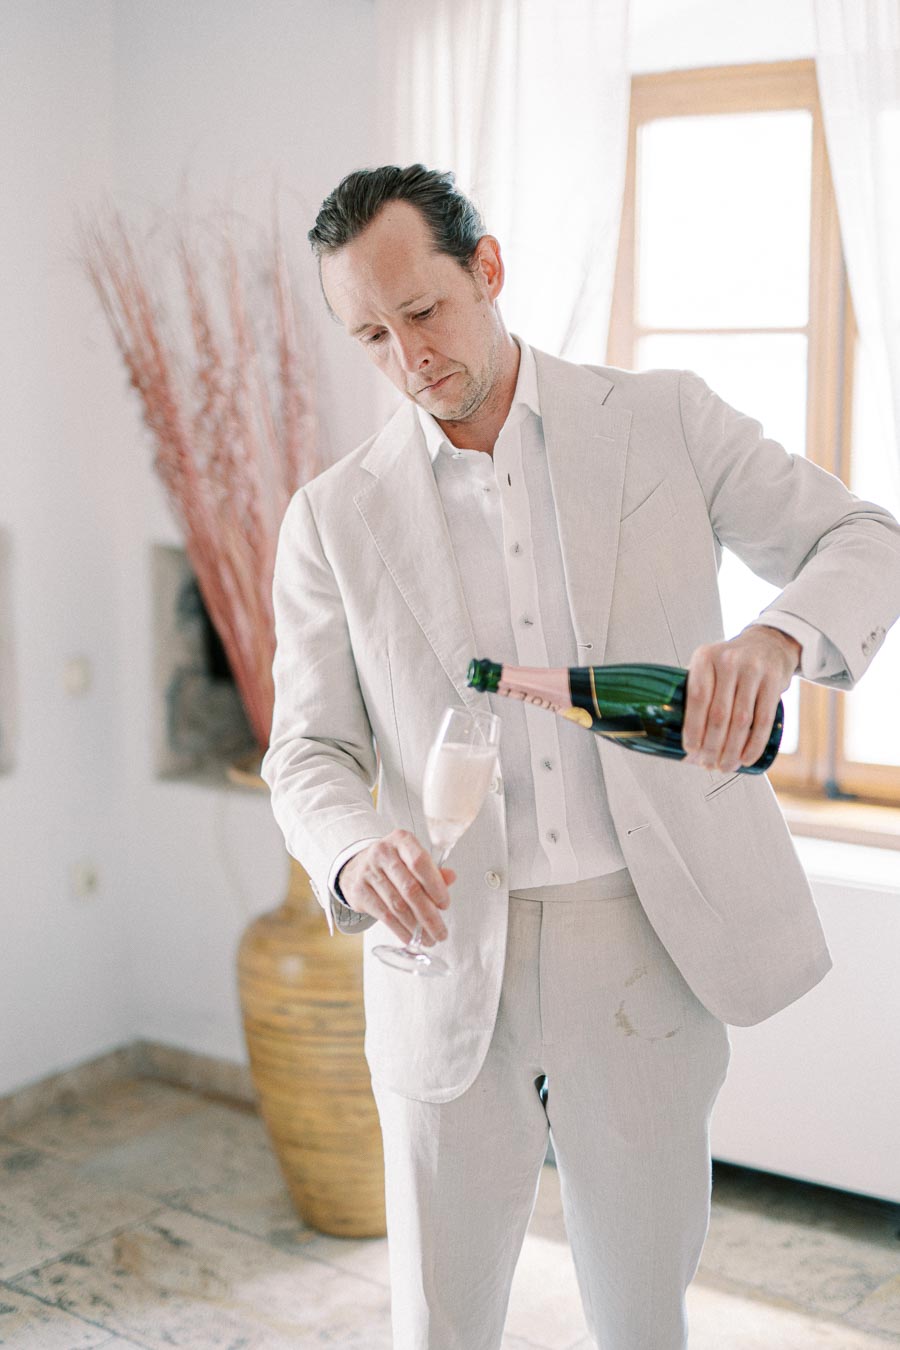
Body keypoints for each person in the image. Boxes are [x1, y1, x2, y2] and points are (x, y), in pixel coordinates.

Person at [260, 164, 900, 1350]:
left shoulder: (664, 420)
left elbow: (865, 537)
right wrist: (353, 858)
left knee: (641, 1318)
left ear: (487, 271)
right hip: (440, 957)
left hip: (642, 944)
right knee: (441, 1328)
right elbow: (307, 750)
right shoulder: (332, 517)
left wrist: (775, 638)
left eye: (424, 313)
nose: (408, 358)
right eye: (369, 335)